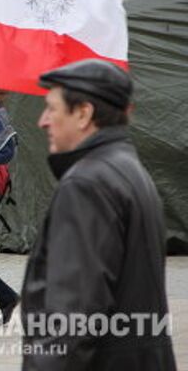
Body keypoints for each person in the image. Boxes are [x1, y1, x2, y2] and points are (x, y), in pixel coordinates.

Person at [22, 59, 176, 370]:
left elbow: (73, 319)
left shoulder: (87, 183)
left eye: (52, 108)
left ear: (83, 113)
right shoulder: (127, 169)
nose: (43, 121)